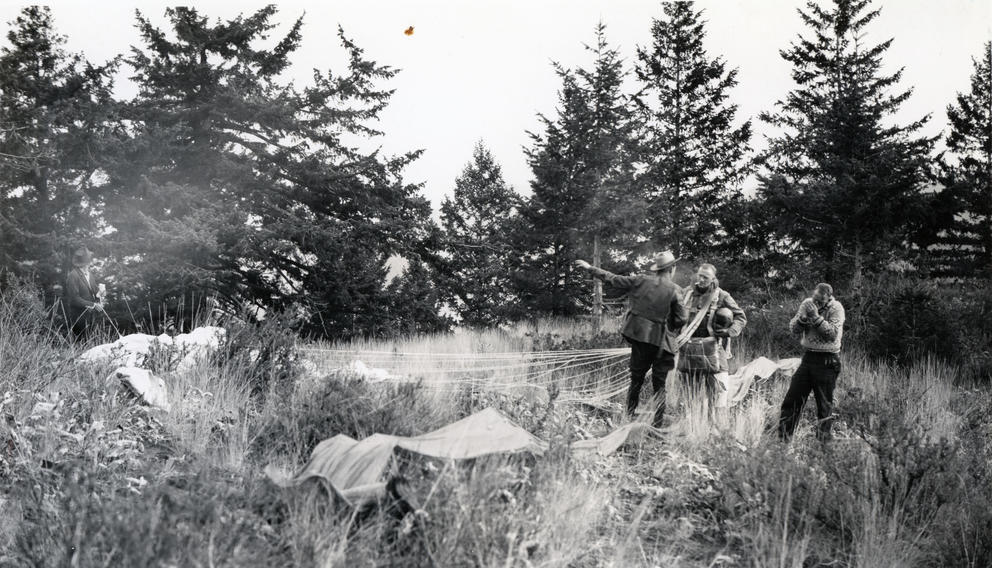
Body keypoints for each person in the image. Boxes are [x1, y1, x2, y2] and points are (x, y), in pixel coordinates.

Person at [574, 251, 686, 426]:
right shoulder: (676, 290)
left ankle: (629, 416)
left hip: (640, 338)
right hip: (663, 343)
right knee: (659, 385)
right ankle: (657, 423)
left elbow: (612, 278)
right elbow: (681, 319)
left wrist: (590, 268)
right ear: (672, 269)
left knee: (636, 379)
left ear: (657, 269)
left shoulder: (640, 280)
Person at [672, 263, 747, 410]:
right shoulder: (686, 293)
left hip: (714, 350)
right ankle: (693, 424)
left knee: (719, 392)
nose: (701, 279)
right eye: (699, 275)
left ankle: (716, 426)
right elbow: (673, 316)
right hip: (688, 350)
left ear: (713, 279)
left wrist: (729, 332)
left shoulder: (722, 295)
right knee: (690, 393)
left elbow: (740, 317)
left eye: (705, 277)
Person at [778, 283, 845, 442]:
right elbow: (793, 328)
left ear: (828, 296)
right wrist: (802, 319)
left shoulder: (836, 308)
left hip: (828, 361)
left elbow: (832, 334)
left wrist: (815, 317)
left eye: (821, 299)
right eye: (815, 297)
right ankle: (782, 442)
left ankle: (823, 447)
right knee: (792, 400)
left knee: (824, 406)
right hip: (808, 358)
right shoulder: (807, 303)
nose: (817, 301)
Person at [64, 245, 103, 341]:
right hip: (79, 318)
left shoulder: (90, 274)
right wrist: (93, 305)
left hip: (90, 317)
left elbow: (94, 290)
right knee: (80, 344)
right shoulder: (73, 276)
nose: (90, 264)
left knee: (91, 344)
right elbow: (74, 299)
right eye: (88, 262)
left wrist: (101, 293)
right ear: (84, 263)